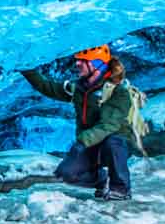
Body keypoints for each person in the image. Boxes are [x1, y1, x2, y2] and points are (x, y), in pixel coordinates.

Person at [21, 44, 137, 200]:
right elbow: (46, 87)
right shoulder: (78, 88)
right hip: (91, 142)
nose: (77, 64)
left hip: (115, 142)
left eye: (83, 61)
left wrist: (82, 141)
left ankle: (121, 189)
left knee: (113, 142)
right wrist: (24, 69)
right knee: (66, 174)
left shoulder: (118, 91)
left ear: (96, 64)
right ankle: (102, 180)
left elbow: (109, 125)